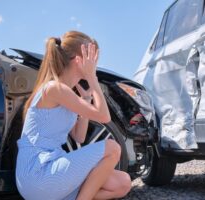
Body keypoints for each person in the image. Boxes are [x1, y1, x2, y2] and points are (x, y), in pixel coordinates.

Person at [16, 30, 131, 200]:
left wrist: (86, 97)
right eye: (91, 57)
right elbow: (104, 117)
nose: (95, 64)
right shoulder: (54, 88)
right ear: (79, 60)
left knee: (123, 182)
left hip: (53, 171)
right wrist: (93, 78)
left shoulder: (66, 93)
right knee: (112, 147)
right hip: (38, 172)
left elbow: (79, 137)